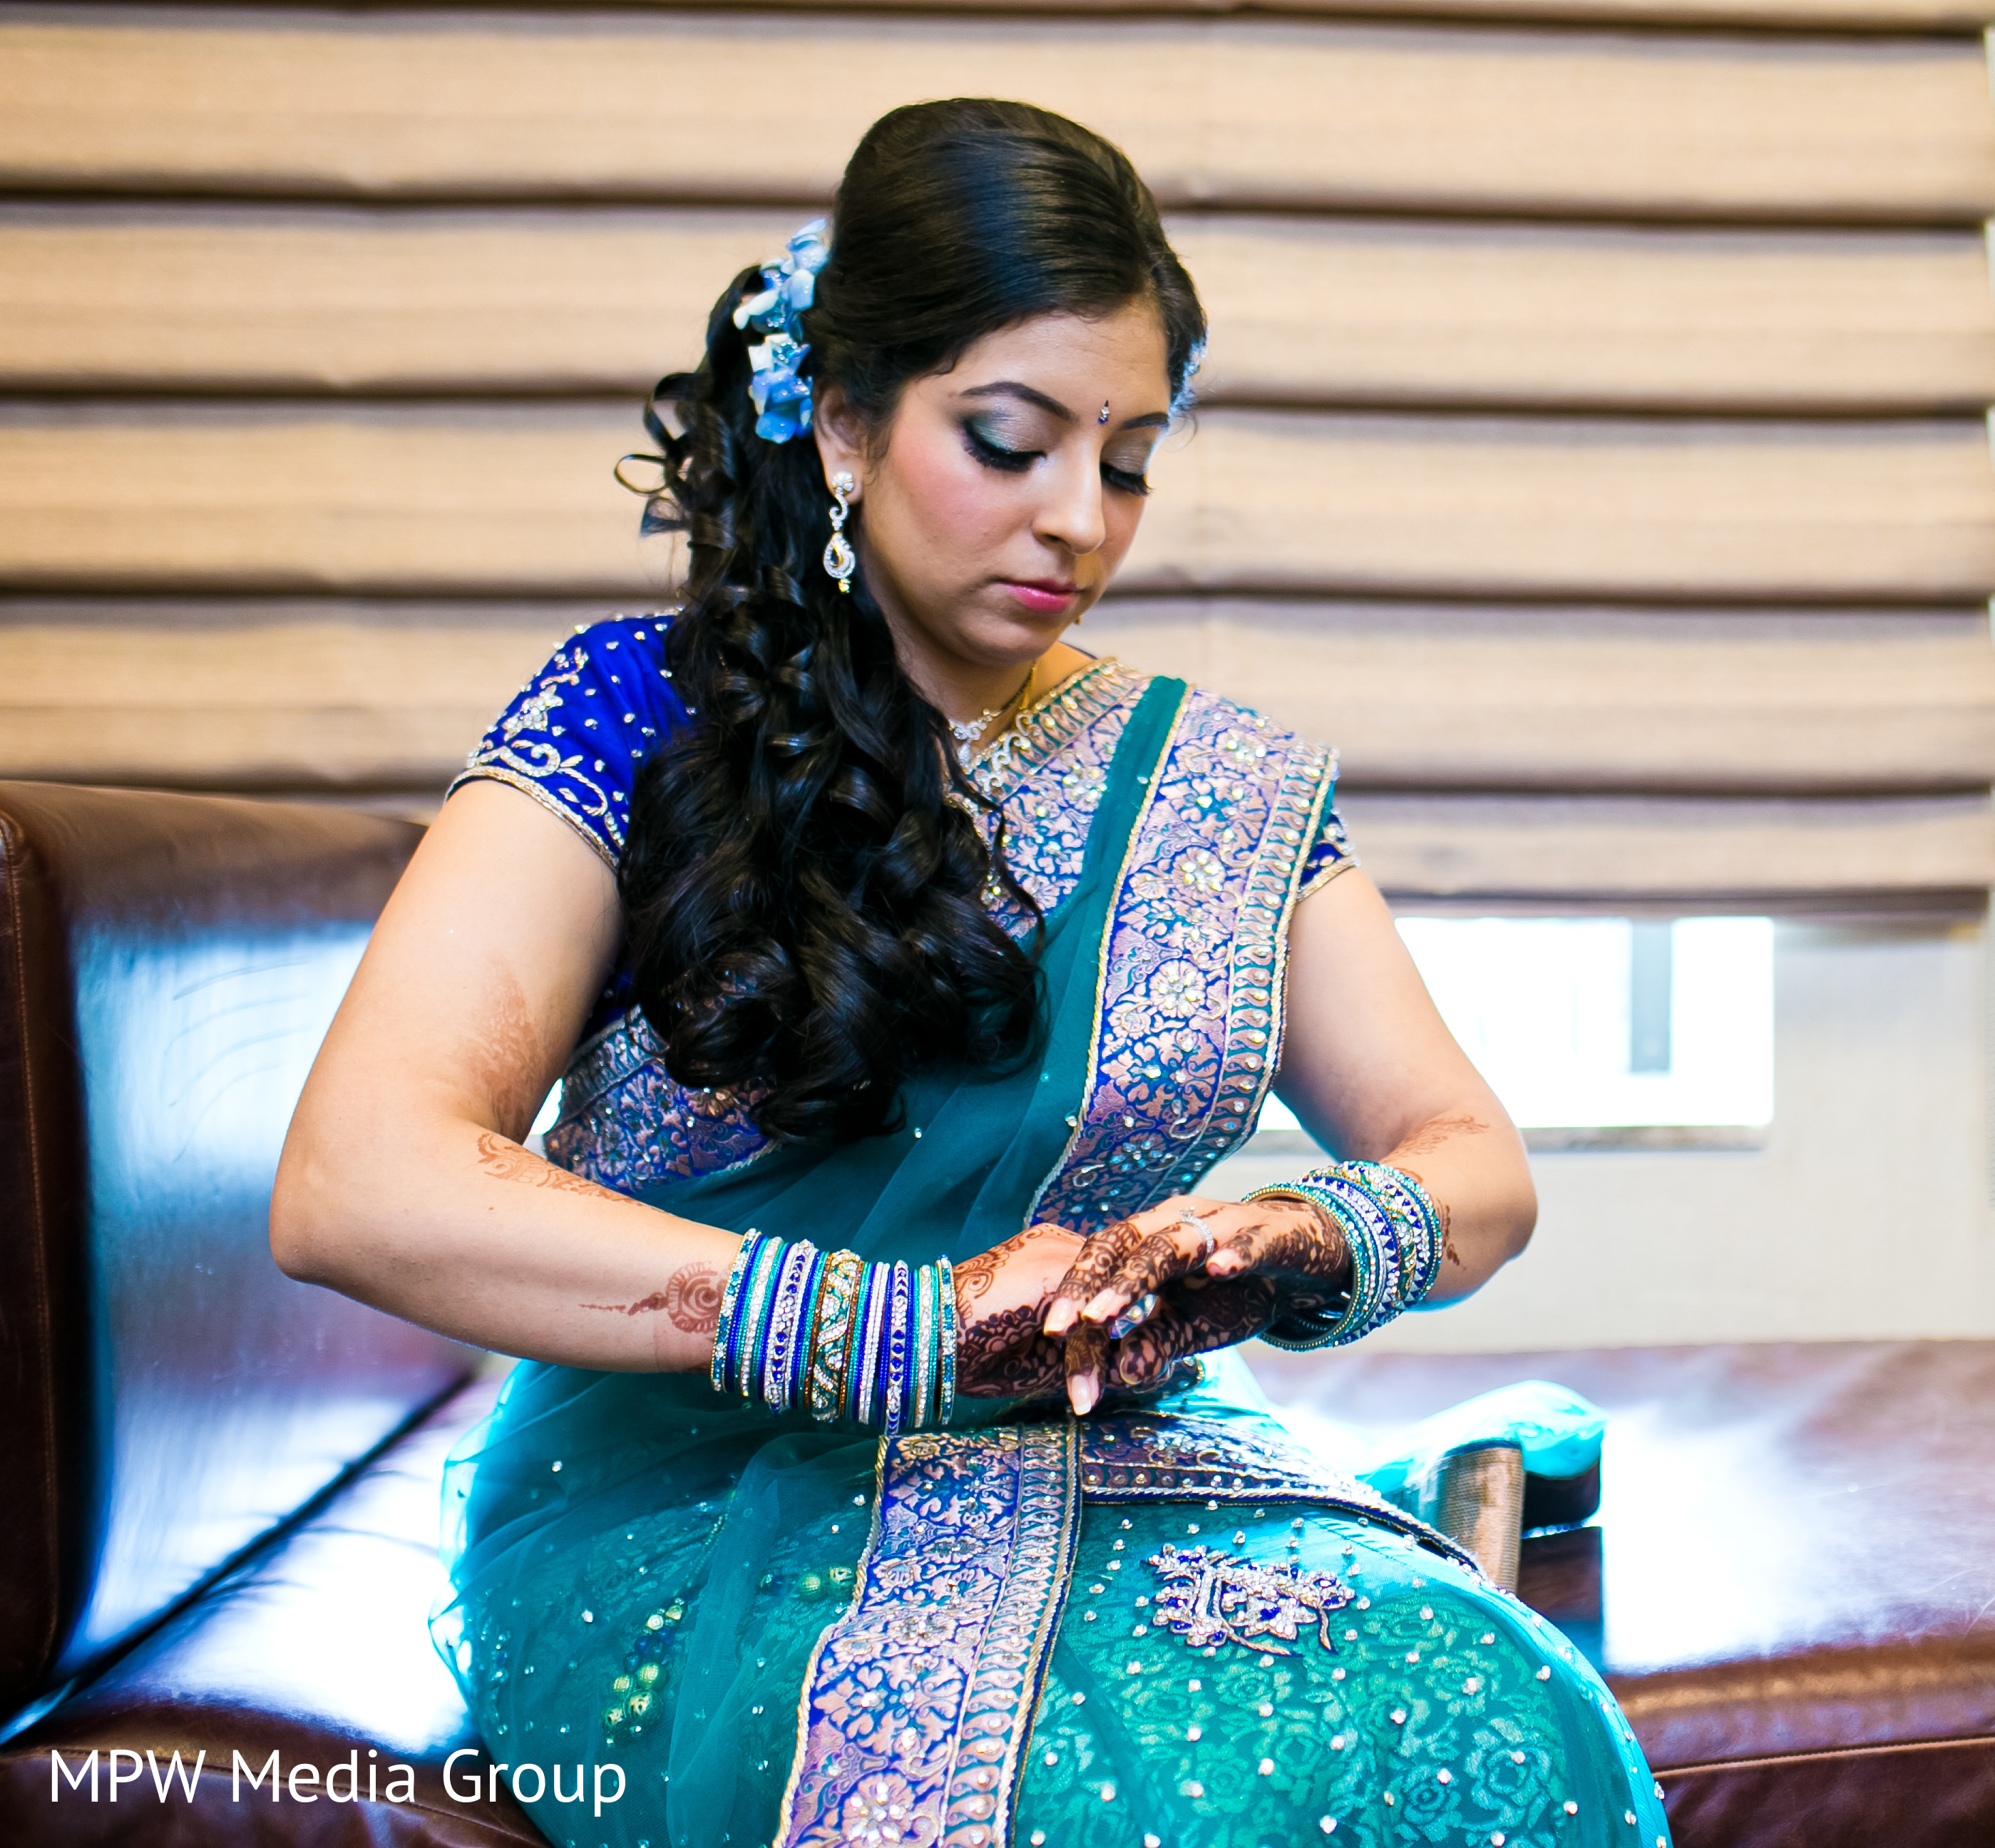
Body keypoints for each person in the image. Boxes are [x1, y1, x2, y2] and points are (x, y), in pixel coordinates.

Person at [271, 98, 1668, 1848]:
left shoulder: (1205, 786)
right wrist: (914, 1332)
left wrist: (1289, 1243)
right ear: (844, 423)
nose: (1081, 519)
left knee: (1486, 1707)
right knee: (1102, 1790)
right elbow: (356, 1182)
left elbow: (1473, 1166)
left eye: (1132, 456)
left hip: (1121, 1470)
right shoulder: (639, 720)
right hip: (691, 1508)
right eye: (1008, 440)